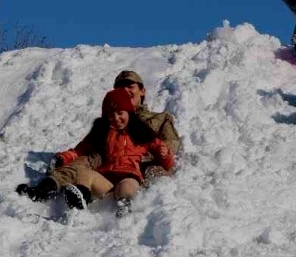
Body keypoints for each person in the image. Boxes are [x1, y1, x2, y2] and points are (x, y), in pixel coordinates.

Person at [17, 70, 182, 202]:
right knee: (84, 160)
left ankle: (148, 206)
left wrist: (150, 154)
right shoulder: (110, 120)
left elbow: (170, 145)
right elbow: (87, 145)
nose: (125, 90)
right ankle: (49, 188)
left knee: (156, 172)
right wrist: (68, 156)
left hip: (142, 163)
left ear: (142, 91)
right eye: (120, 88)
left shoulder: (159, 119)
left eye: (130, 86)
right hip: (108, 160)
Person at [52, 88, 176, 217]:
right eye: (111, 115)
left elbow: (167, 161)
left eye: (120, 113)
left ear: (129, 112)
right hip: (106, 181)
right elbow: (80, 150)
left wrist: (164, 154)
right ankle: (79, 202)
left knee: (126, 184)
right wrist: (64, 157)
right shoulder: (102, 133)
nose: (116, 118)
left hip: (129, 177)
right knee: (84, 173)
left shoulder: (141, 133)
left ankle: (124, 207)